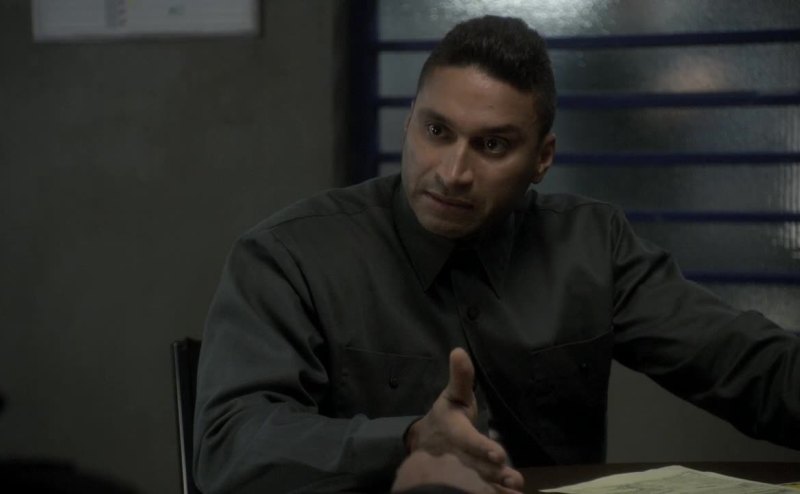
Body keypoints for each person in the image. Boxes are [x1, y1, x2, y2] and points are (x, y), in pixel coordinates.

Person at [193, 15, 800, 494]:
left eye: (492, 145)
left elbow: (748, 367)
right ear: (408, 123)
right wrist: (409, 439)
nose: (453, 172)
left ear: (542, 158)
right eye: (437, 131)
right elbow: (229, 447)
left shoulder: (592, 245)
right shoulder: (290, 255)